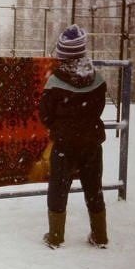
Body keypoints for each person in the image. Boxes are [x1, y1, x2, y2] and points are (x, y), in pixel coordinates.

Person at [39, 24, 109, 249]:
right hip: (91, 142)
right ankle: (100, 235)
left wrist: (59, 127)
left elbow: (45, 114)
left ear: (62, 55)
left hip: (64, 144)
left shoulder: (55, 82)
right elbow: (98, 108)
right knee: (93, 187)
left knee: (58, 188)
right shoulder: (97, 79)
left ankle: (56, 236)